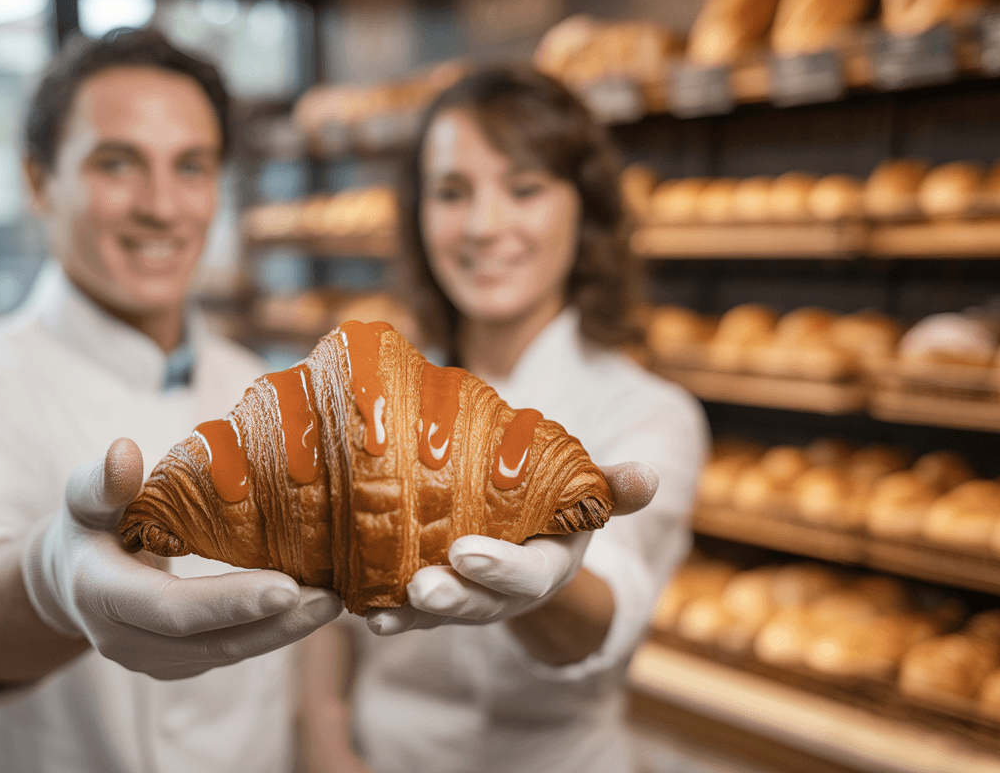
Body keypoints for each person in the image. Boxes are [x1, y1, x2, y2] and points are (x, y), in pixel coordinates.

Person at [0, 29, 346, 773]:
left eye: (192, 167)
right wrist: (49, 580)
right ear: (38, 182)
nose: (161, 206)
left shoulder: (268, 393)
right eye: (117, 164)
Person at [297, 67, 708, 773]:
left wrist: (539, 577)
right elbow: (321, 599)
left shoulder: (649, 415)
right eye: (452, 193)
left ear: (586, 211)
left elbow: (600, 622)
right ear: (419, 217)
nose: (486, 227)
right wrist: (325, 737)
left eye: (525, 189)